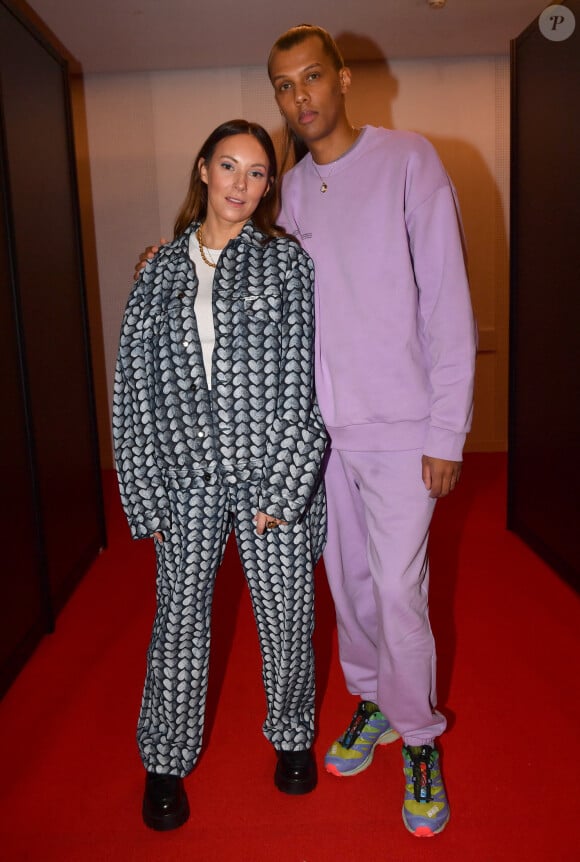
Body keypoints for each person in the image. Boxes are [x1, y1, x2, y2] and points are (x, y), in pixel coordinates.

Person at [266, 25, 477, 838]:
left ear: (344, 79)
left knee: (397, 590)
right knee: (349, 586)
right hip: (322, 436)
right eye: (285, 86)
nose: (300, 98)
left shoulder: (409, 160)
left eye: (313, 77)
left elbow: (447, 306)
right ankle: (371, 702)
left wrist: (446, 433)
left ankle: (418, 734)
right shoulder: (282, 192)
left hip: (402, 427)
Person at [114, 119, 328, 832]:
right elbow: (133, 389)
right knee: (178, 622)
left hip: (268, 474)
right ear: (203, 169)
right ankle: (164, 760)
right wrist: (145, 492)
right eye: (229, 166)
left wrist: (286, 487)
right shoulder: (159, 270)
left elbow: (302, 384)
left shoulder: (286, 264)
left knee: (286, 613)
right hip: (186, 479)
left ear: (270, 185)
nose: (241, 183)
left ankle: (293, 737)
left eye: (258, 172)